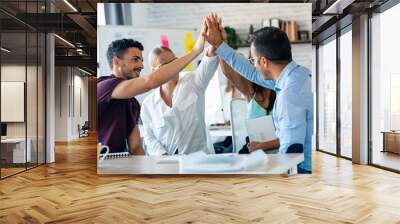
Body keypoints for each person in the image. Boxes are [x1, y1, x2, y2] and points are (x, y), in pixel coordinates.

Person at [204, 13, 313, 173]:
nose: (253, 64)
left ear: (264, 61)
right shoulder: (298, 75)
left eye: (253, 60)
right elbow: (252, 73)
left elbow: (291, 149)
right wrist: (220, 45)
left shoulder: (288, 94)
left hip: (302, 169)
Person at [97, 27, 207, 154]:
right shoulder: (104, 86)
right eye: (135, 59)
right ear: (116, 62)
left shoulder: (132, 102)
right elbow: (149, 82)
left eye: (142, 60)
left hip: (119, 163)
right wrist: (196, 50)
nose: (141, 66)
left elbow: (136, 147)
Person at [140, 43, 218, 155]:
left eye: (175, 61)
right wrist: (164, 157)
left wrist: (214, 42)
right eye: (165, 65)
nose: (172, 67)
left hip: (199, 161)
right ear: (153, 71)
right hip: (166, 165)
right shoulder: (148, 104)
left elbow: (209, 61)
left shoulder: (194, 81)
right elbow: (149, 138)